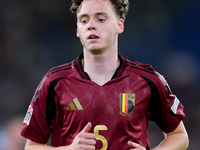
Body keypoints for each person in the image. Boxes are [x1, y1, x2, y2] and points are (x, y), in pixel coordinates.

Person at [21, 0, 189, 149]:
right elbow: (32, 146)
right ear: (78, 30)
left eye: (101, 19)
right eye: (84, 20)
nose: (91, 25)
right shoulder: (54, 82)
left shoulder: (147, 80)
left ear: (119, 25)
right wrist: (68, 149)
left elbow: (179, 136)